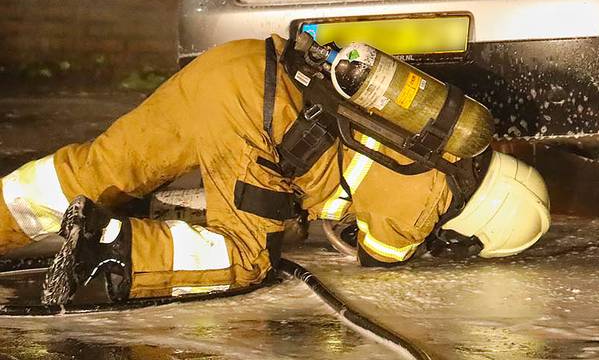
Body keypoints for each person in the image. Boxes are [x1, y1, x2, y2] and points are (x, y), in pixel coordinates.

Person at [0, 34, 550, 305]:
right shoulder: (427, 202)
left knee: (109, 166)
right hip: (257, 117)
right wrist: (426, 243)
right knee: (247, 259)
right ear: (485, 227)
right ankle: (108, 243)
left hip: (240, 64)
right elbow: (378, 256)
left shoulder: (444, 137)